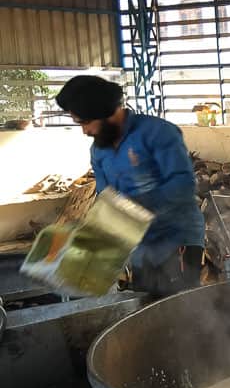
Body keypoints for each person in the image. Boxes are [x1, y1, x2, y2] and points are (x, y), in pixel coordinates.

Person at [55, 75, 205, 297]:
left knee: (180, 308)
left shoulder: (158, 133)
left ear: (105, 112)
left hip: (177, 239)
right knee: (145, 308)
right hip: (142, 247)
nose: (85, 131)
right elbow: (106, 197)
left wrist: (134, 206)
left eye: (85, 122)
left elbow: (182, 185)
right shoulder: (99, 151)